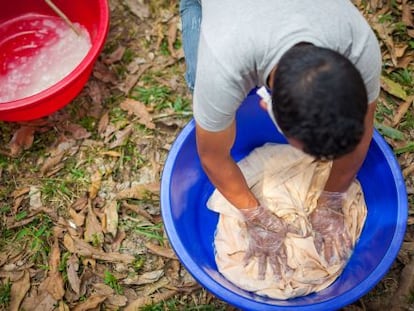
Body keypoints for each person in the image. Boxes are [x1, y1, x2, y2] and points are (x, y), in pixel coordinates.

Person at [179, 0, 381, 279]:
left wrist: (332, 198)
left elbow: (362, 131)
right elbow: (213, 157)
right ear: (267, 107)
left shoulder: (358, 45)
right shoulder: (222, 67)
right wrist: (255, 217)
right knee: (201, 87)